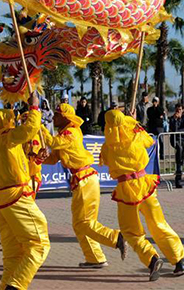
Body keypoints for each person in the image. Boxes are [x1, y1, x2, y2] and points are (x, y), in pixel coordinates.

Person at [100, 110, 184, 281]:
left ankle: (151, 258)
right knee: (158, 224)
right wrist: (134, 124)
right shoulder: (136, 135)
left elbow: (107, 161)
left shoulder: (107, 146)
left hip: (126, 190)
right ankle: (179, 262)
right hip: (145, 185)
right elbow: (150, 141)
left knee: (130, 231)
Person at [0, 94, 50, 290]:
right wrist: (34, 108)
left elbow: (18, 162)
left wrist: (35, 158)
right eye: (13, 118)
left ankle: (6, 287)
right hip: (16, 198)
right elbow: (30, 129)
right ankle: (16, 286)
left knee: (12, 255)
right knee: (39, 244)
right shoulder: (8, 137)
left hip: (1, 202)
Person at [41, 104, 126, 268]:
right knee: (81, 223)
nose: (53, 118)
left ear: (66, 117)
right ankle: (95, 257)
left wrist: (39, 125)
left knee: (83, 223)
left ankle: (116, 238)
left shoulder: (71, 133)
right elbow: (52, 158)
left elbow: (52, 142)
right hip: (83, 180)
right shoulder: (64, 135)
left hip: (85, 180)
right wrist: (38, 158)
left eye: (57, 115)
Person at [169, 104, 184, 188]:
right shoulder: (173, 118)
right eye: (177, 110)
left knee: (182, 158)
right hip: (175, 139)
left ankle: (179, 173)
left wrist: (178, 130)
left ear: (182, 110)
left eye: (180, 109)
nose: (178, 111)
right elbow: (173, 129)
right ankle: (178, 179)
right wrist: (176, 120)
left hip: (183, 139)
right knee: (179, 150)